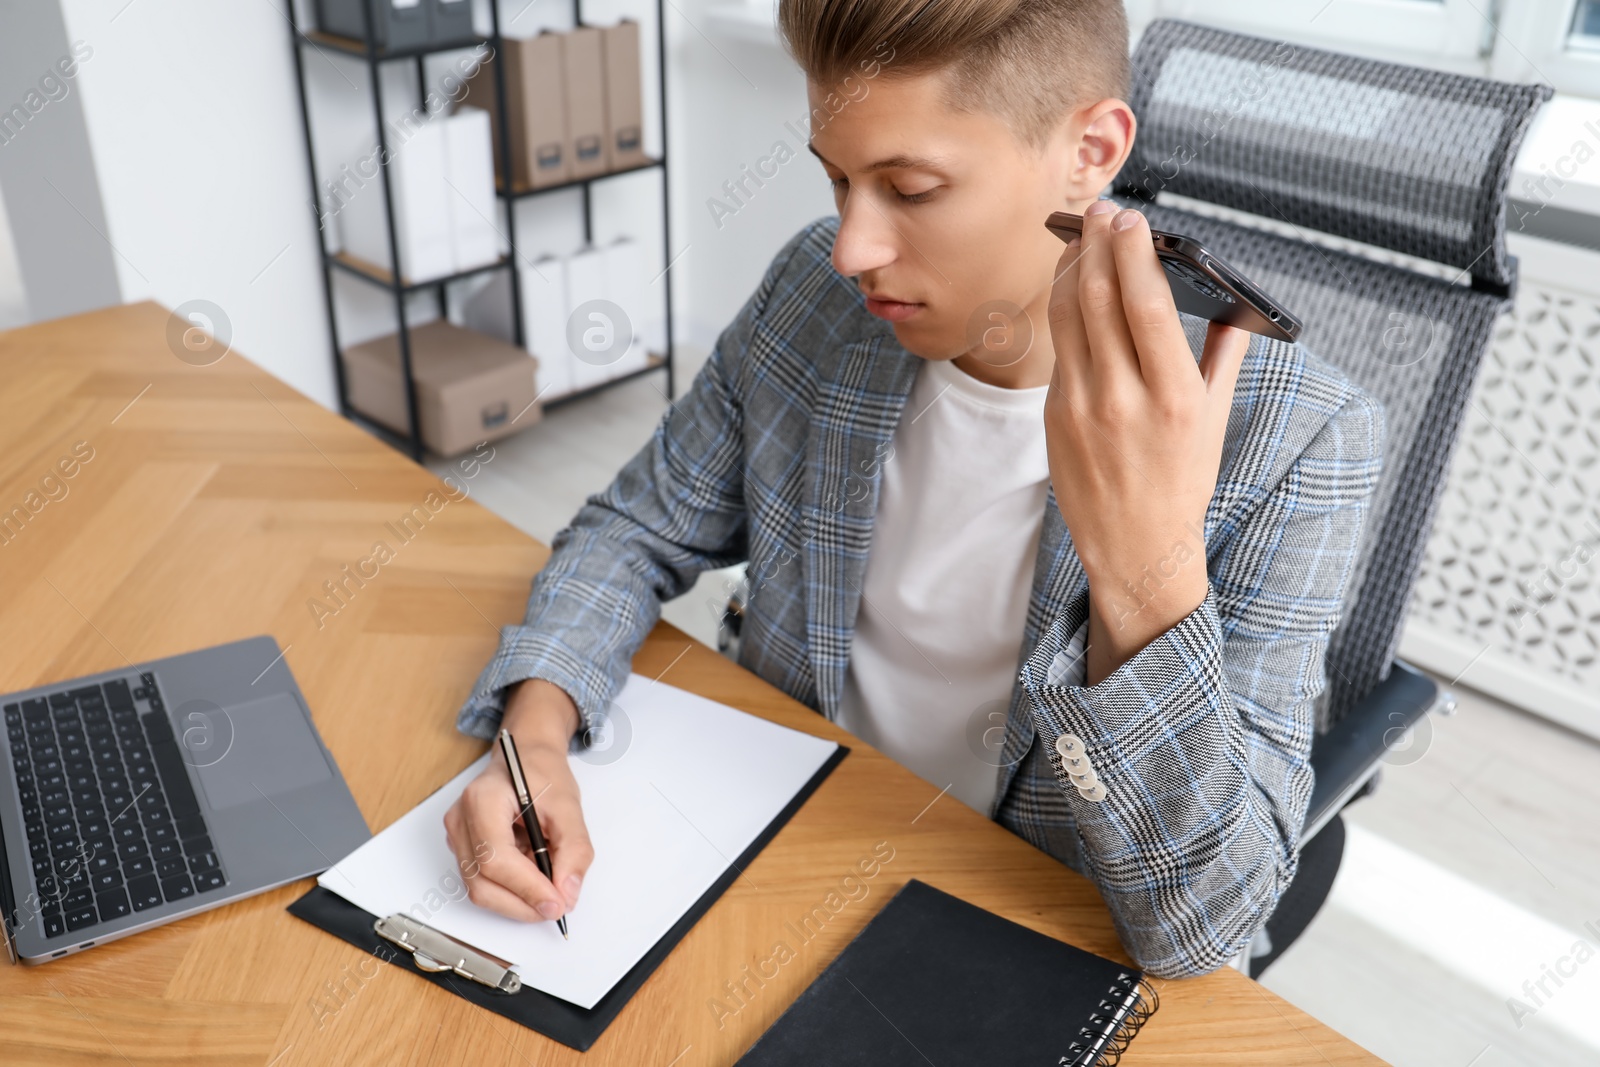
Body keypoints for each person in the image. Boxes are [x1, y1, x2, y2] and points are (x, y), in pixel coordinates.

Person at [442, 0, 1383, 979]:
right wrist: (536, 737)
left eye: (912, 187)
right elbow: (634, 528)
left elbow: (1204, 925)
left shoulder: (1299, 440)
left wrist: (1144, 575)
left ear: (1089, 150)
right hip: (777, 834)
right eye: (838, 179)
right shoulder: (815, 290)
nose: (852, 246)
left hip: (1011, 930)